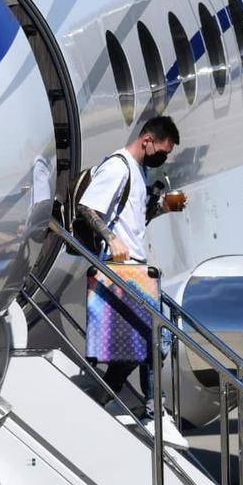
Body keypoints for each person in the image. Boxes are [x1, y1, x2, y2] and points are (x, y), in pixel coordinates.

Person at [78, 116, 188, 447]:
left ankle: (101, 394)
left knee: (134, 349)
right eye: (162, 152)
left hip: (135, 270)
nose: (163, 159)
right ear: (147, 141)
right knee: (158, 338)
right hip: (119, 270)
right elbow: (87, 208)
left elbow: (134, 219)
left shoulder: (138, 173)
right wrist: (111, 239)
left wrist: (164, 207)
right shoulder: (118, 167)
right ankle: (154, 412)